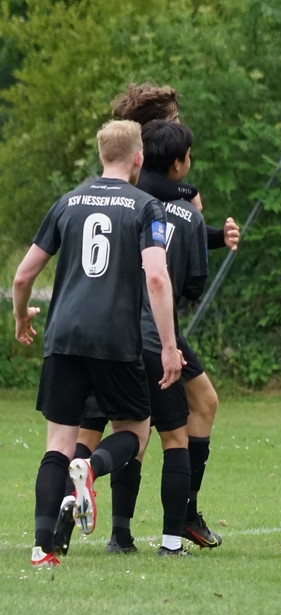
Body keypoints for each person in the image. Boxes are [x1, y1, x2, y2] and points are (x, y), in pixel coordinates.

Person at [53, 82, 240, 554]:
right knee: (142, 425)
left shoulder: (127, 178)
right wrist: (192, 204)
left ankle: (88, 527)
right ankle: (166, 521)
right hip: (135, 322)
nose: (178, 126)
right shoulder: (137, 183)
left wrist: (210, 234)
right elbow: (163, 234)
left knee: (117, 423)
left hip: (100, 319)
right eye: (173, 120)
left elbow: (166, 231)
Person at [12, 119, 182, 567]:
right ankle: (91, 468)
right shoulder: (146, 207)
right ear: (138, 157)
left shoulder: (67, 202)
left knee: (57, 443)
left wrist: (21, 315)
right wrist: (168, 346)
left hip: (63, 335)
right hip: (114, 338)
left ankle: (42, 549)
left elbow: (23, 276)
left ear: (101, 154)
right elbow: (157, 276)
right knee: (135, 432)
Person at [102, 119, 211, 556]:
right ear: (179, 164)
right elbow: (193, 285)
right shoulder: (189, 215)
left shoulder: (129, 205)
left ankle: (119, 536)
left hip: (116, 336)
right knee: (174, 438)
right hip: (158, 339)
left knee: (130, 433)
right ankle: (171, 542)